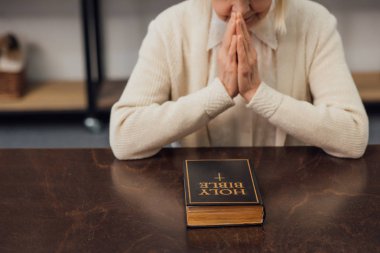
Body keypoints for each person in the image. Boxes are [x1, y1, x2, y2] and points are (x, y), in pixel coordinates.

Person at [110, 0, 369, 160]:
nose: (242, 9)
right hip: (200, 190)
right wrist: (219, 93)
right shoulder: (170, 27)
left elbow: (354, 136)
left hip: (294, 191)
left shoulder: (315, 22)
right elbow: (124, 138)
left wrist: (259, 94)